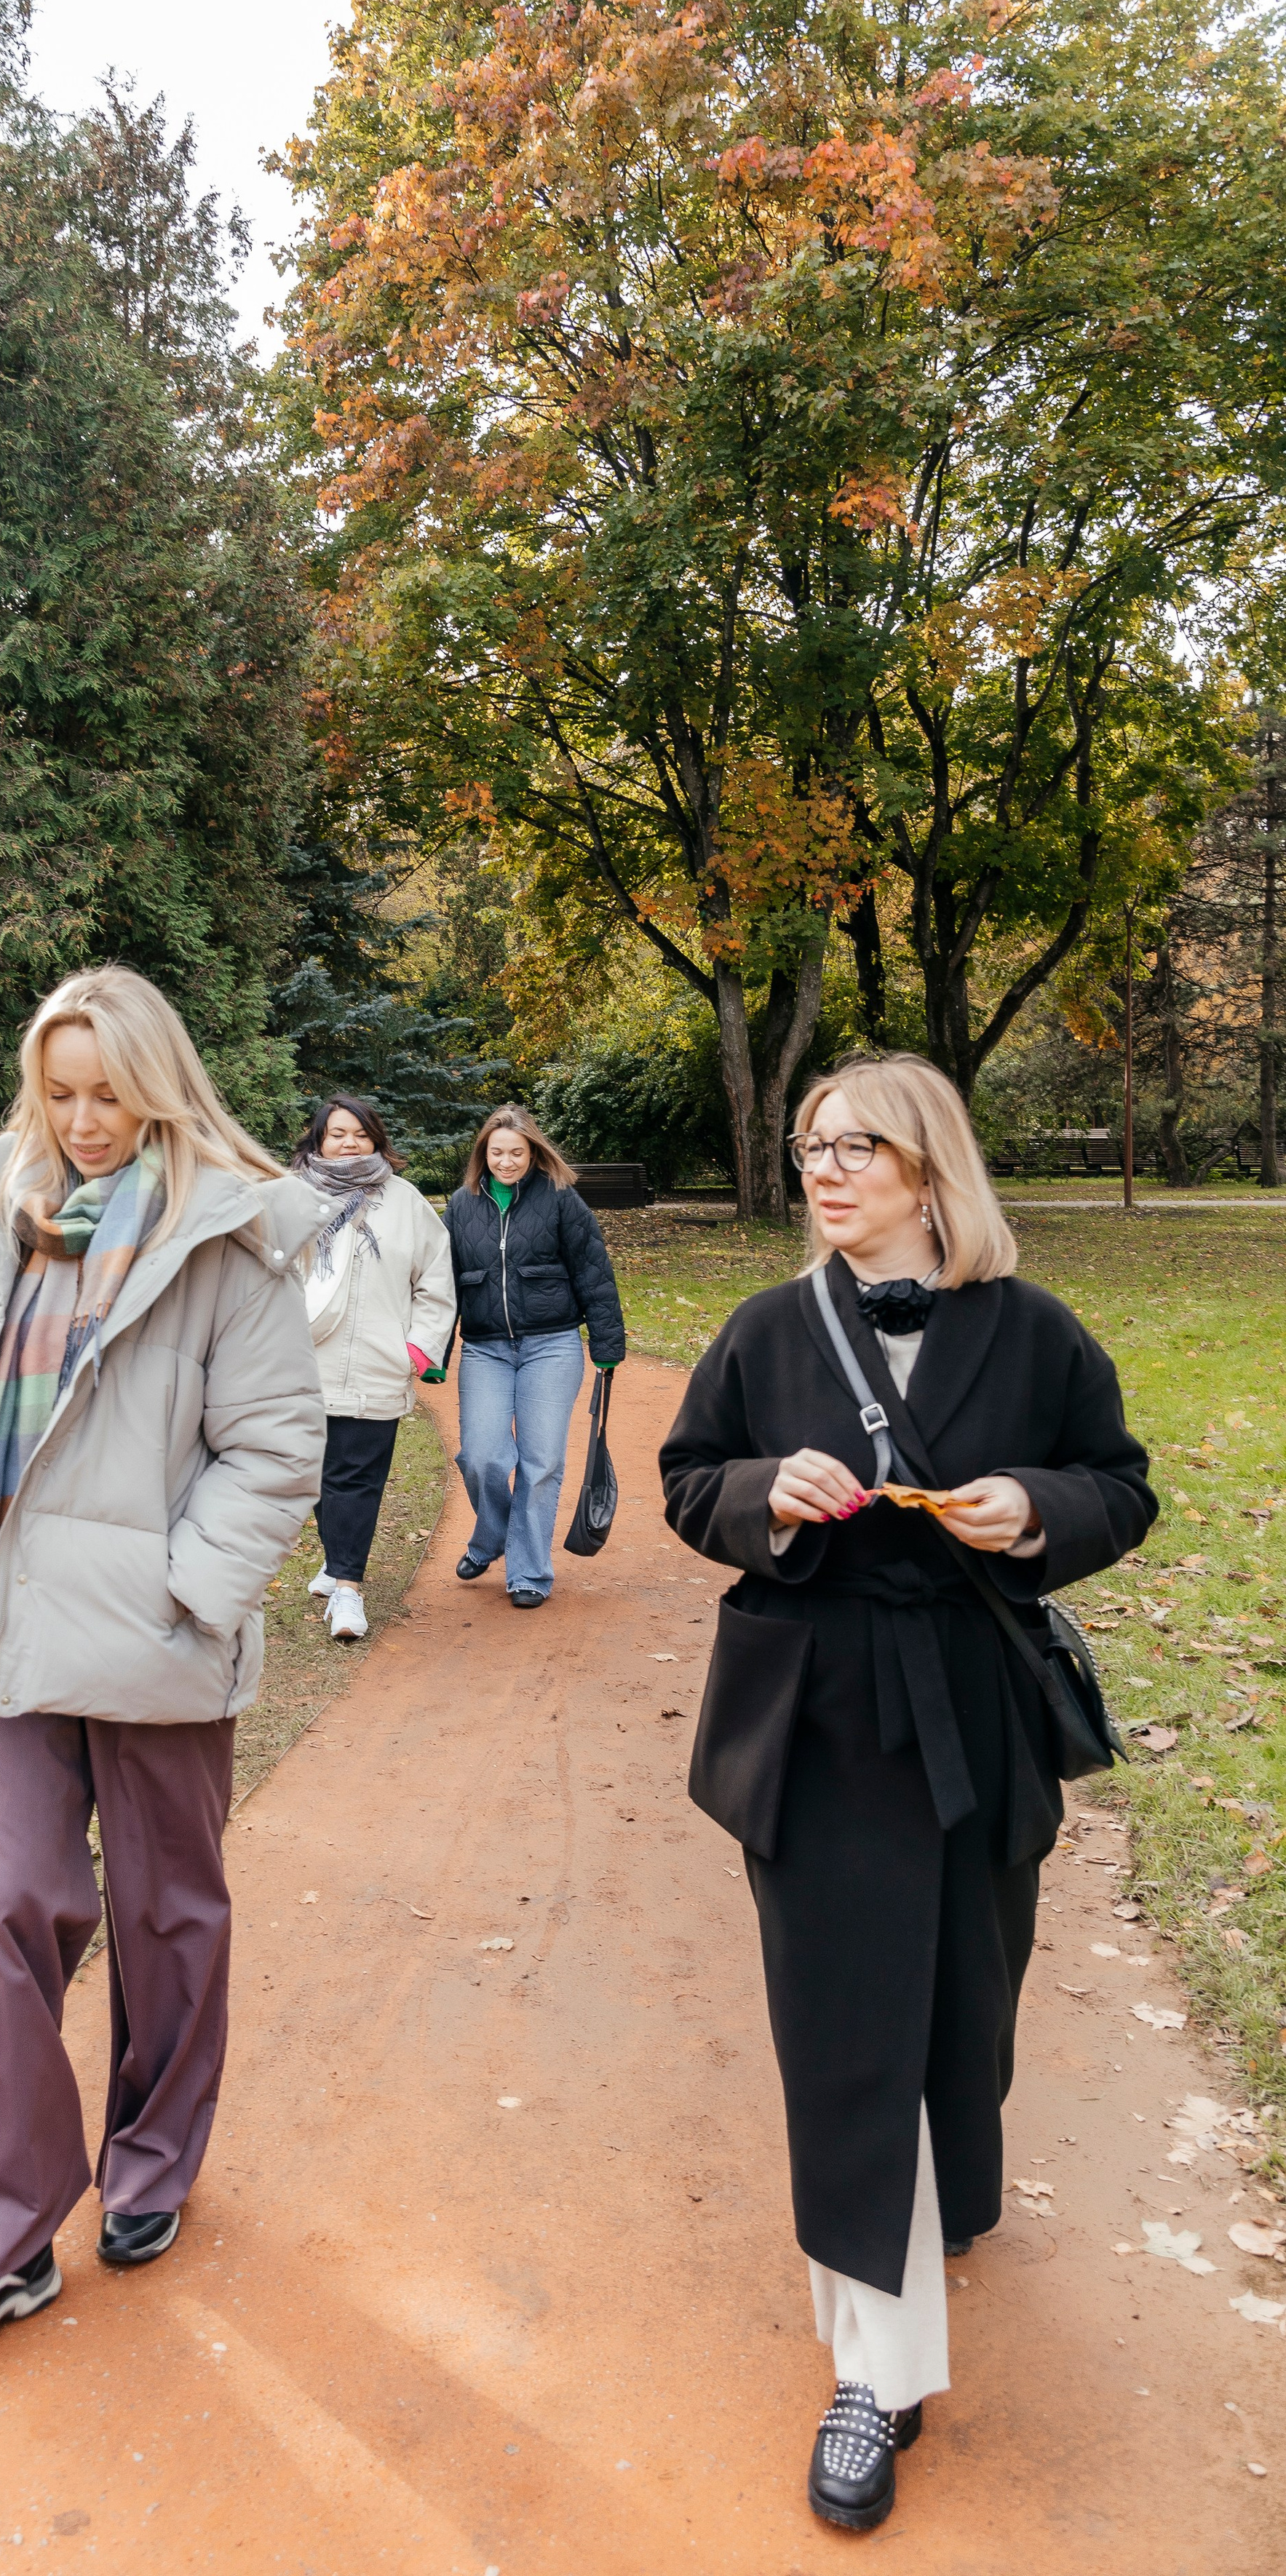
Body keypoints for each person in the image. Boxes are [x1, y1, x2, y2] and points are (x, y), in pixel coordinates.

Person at [658, 1052, 1155, 2533]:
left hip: (978, 1719)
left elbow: (1116, 1484)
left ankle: (956, 2184)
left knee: (966, 2013)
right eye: (810, 1145)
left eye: (857, 1147)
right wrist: (762, 1499)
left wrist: (1033, 1515)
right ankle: (875, 2371)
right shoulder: (763, 1329)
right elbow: (690, 1478)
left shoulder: (1034, 1333)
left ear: (927, 1168)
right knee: (845, 2028)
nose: (824, 1169)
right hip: (813, 1722)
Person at [0, 966, 328, 2369]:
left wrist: (186, 1592)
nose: (82, 1120)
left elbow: (274, 1448)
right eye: (60, 1092)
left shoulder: (228, 1245)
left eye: (108, 1094)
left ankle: (152, 2163)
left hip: (154, 1636)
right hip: (5, 1622)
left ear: (159, 1086)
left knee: (166, 1911)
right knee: (16, 1906)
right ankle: (0, 2242)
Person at [445, 1104, 625, 1606]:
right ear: (484, 1153)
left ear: (534, 1152)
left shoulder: (561, 1201)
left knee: (540, 1461)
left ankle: (528, 1573)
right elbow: (442, 1287)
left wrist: (608, 1345)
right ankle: (492, 1537)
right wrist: (436, 1351)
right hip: (485, 1349)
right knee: (480, 1456)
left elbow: (593, 1271)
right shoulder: (461, 1206)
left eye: (516, 1153)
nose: (506, 1162)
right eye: (497, 1152)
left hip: (553, 1345)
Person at [293, 1094, 456, 1642]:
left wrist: (417, 1348)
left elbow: (436, 1280)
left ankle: (347, 1591)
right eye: (337, 1133)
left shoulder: (404, 1202)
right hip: (302, 1364)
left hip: (376, 1365)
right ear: (318, 1141)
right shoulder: (291, 1200)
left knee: (358, 1479)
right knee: (314, 1474)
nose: (349, 1143)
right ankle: (337, 1556)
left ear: (376, 1139)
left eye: (360, 1134)